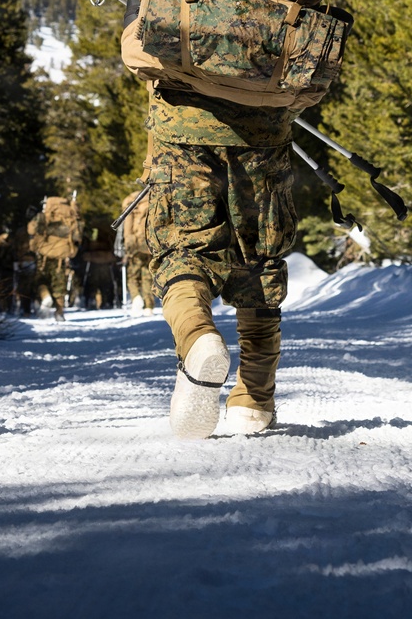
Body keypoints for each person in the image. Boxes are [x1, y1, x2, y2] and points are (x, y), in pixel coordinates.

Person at [144, 82, 297, 439]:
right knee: (259, 258)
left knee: (183, 252)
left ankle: (198, 337)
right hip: (264, 133)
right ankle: (253, 401)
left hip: (180, 130)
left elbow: (136, 55)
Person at [27, 195, 82, 318]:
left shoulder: (43, 216)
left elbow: (31, 230)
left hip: (44, 254)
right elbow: (77, 236)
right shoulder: (69, 217)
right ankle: (59, 312)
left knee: (41, 280)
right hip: (61, 256)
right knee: (59, 284)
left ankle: (45, 297)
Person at [119, 184, 156, 313]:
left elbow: (127, 229)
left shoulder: (131, 204)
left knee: (133, 275)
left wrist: (128, 247)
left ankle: (136, 297)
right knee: (147, 276)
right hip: (151, 244)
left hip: (136, 245)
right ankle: (149, 306)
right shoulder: (153, 200)